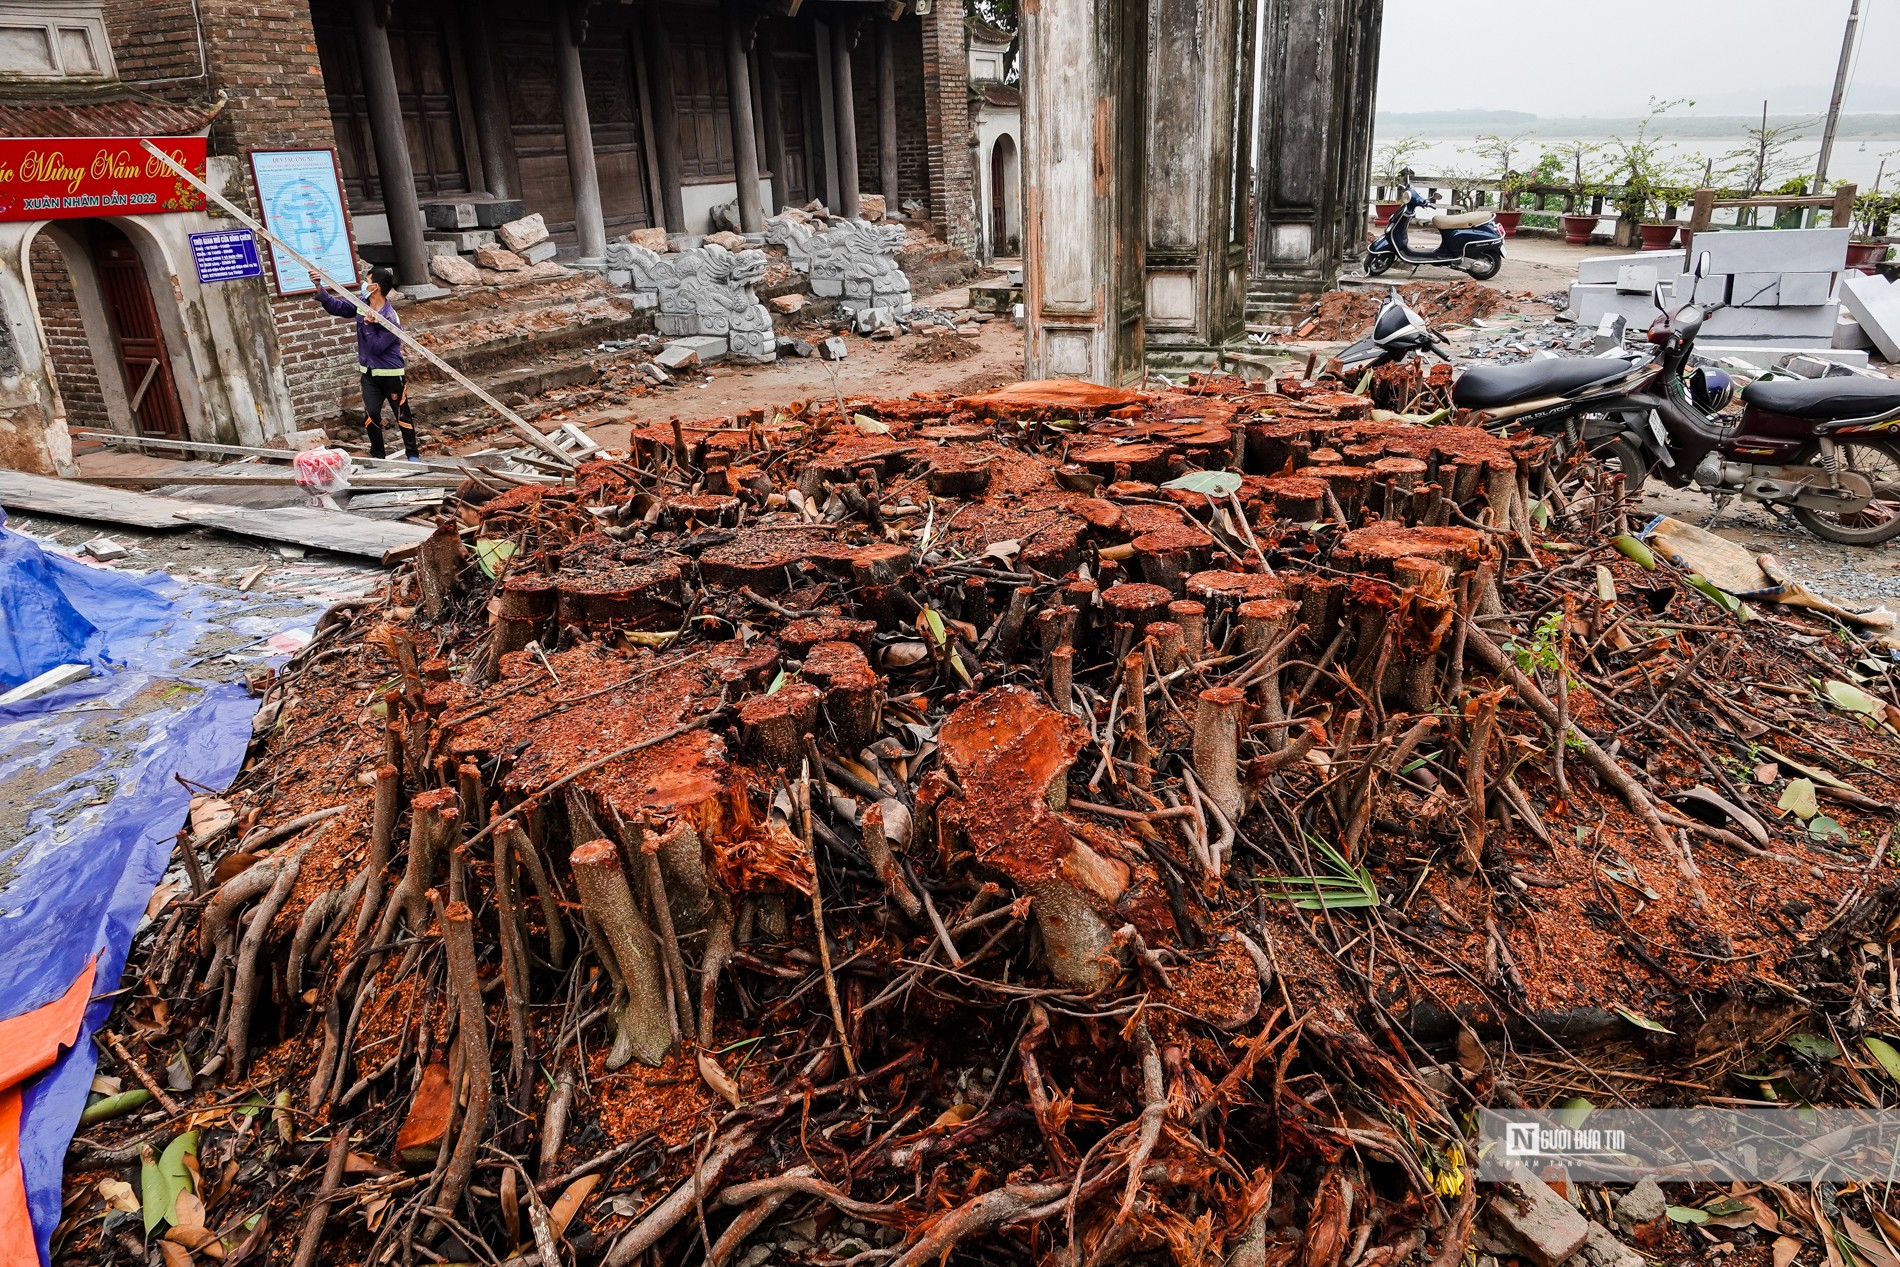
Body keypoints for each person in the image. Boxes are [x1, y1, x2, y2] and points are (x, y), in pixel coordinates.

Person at [316, 266, 420, 461]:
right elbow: (337, 307)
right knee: (371, 415)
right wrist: (319, 288)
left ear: (375, 287)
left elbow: (377, 346)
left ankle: (413, 455)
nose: (363, 283)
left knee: (401, 415)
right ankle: (378, 456)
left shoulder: (390, 317)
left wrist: (368, 326)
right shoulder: (361, 304)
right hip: (369, 373)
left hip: (390, 373)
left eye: (367, 280)